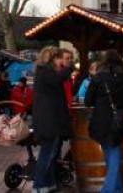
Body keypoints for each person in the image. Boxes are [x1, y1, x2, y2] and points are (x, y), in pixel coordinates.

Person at [85, 50, 123, 193]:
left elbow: (87, 101)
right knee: (113, 151)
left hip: (101, 120)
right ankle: (117, 188)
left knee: (111, 152)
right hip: (119, 120)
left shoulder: (98, 78)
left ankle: (108, 189)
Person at [31, 46, 72, 193]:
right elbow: (58, 79)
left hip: (50, 121)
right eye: (60, 58)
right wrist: (68, 67)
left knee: (51, 153)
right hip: (49, 121)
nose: (63, 61)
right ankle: (38, 185)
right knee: (47, 154)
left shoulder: (44, 73)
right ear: (53, 59)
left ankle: (48, 183)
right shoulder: (46, 73)